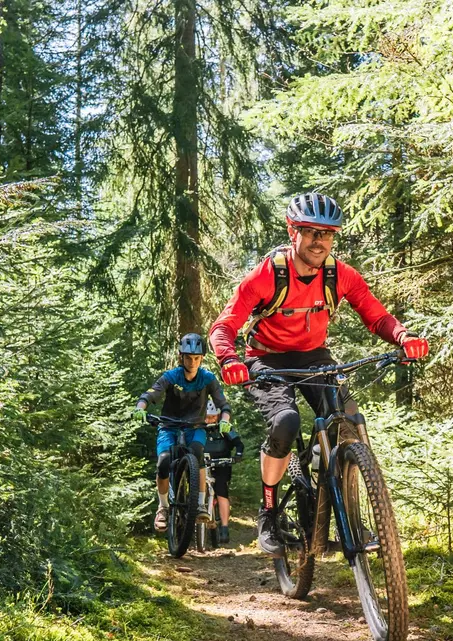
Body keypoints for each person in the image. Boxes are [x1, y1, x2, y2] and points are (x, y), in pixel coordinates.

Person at [208, 192, 429, 556]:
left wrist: (403, 337)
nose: (319, 240)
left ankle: (342, 501)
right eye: (310, 231)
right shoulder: (267, 275)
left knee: (347, 414)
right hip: (267, 358)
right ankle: (269, 513)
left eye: (326, 233)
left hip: (314, 357)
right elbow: (224, 326)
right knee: (286, 422)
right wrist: (229, 359)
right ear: (292, 232)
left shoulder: (340, 275)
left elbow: (376, 316)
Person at [133, 333, 232, 533]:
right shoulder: (172, 376)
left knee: (197, 452)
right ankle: (163, 507)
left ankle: (200, 504)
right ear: (181, 357)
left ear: (202, 358)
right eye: (188, 358)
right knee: (163, 462)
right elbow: (151, 394)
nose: (192, 362)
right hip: (169, 426)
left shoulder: (208, 379)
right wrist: (140, 407)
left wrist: (224, 420)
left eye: (196, 358)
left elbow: (224, 404)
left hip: (195, 428)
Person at [203, 397, 245, 544]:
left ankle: (225, 528)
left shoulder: (224, 427)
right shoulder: (198, 429)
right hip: (203, 463)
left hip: (222, 464)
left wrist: (238, 455)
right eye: (207, 417)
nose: (210, 420)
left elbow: (238, 444)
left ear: (218, 415)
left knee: (222, 493)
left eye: (213, 416)